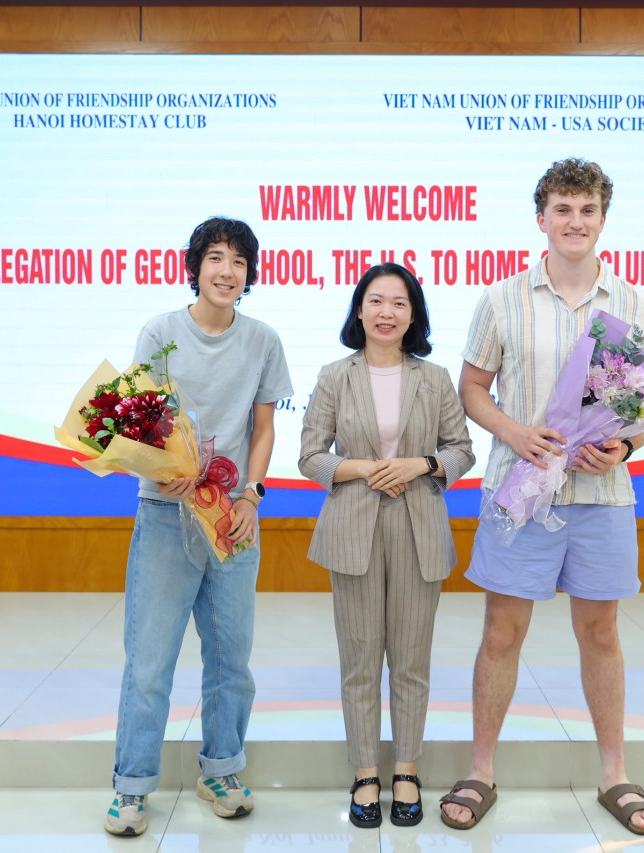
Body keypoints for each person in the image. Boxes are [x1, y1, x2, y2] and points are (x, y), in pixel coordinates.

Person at [439, 159, 644, 835]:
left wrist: (624, 446)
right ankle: (481, 771)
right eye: (562, 209)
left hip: (603, 495)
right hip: (520, 493)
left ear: (603, 219)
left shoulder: (635, 305)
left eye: (587, 209)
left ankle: (614, 774)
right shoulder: (502, 298)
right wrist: (514, 430)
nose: (575, 222)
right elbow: (472, 387)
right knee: (502, 632)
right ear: (541, 218)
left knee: (601, 633)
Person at [105, 217, 293, 837]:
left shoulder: (263, 340)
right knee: (150, 660)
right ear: (196, 265)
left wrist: (253, 496)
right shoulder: (160, 331)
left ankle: (221, 770)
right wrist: (159, 471)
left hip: (233, 517)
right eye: (216, 258)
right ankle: (132, 786)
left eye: (239, 262)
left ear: (250, 274)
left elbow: (264, 429)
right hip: (165, 513)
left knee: (231, 660)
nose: (226, 271)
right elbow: (136, 421)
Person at [299, 263, 474, 829]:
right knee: (359, 659)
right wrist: (362, 469)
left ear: (413, 314)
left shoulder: (436, 377)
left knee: (411, 658)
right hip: (353, 527)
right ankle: (364, 772)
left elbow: (461, 450)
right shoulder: (334, 376)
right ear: (358, 310)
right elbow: (309, 456)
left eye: (400, 303)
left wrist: (419, 464)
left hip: (420, 526)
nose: (386, 312)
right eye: (376, 301)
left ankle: (405, 768)